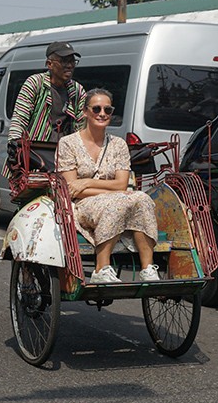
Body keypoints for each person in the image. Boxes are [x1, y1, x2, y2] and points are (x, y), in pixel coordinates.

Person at [56, 88, 160, 284]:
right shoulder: (68, 143)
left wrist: (87, 181)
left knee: (143, 198)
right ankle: (101, 268)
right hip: (82, 204)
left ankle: (147, 269)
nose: (102, 114)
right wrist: (112, 190)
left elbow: (122, 184)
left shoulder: (118, 144)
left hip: (112, 197)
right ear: (85, 112)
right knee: (119, 201)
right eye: (96, 109)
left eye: (107, 110)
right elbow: (71, 189)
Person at [5, 41, 87, 176]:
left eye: (72, 61)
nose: (70, 66)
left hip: (63, 155)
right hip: (36, 155)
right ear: (50, 64)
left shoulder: (77, 90)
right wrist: (15, 148)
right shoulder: (34, 84)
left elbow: (81, 126)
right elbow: (20, 119)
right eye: (64, 61)